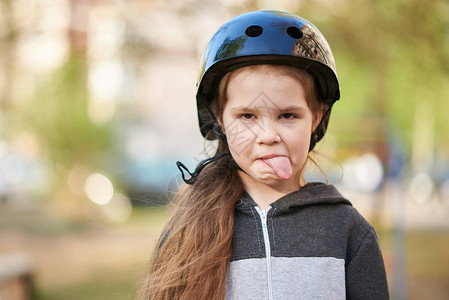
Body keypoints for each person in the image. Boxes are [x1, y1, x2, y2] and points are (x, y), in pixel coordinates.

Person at [140, 10, 389, 300]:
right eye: (247, 115)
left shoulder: (348, 232)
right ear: (220, 119)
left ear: (316, 118)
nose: (268, 135)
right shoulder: (187, 231)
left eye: (287, 115)